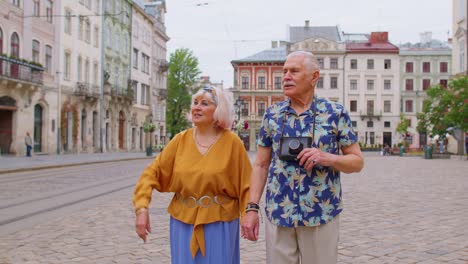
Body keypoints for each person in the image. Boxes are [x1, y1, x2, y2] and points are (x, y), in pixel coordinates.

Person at [241, 51, 364, 264]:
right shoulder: (272, 114)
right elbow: (261, 165)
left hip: (320, 213)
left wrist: (327, 158)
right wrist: (252, 208)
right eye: (284, 71)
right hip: (279, 213)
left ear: (314, 77)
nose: (286, 76)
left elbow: (357, 161)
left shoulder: (334, 113)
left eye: (294, 71)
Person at [133, 86, 252, 263]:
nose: (197, 107)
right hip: (183, 223)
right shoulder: (180, 140)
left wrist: (249, 213)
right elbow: (152, 173)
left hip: (220, 223)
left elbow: (247, 184)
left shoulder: (232, 143)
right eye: (195, 102)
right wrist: (141, 208)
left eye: (204, 103)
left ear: (219, 110)